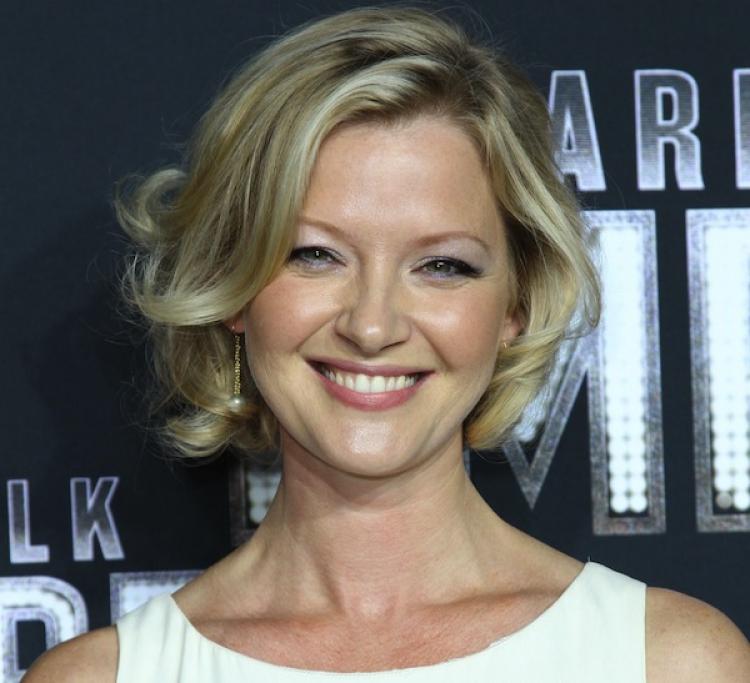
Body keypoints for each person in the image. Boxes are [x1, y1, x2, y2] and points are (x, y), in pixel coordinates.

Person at [24, 5, 750, 682]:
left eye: (442, 266)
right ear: (233, 283)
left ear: (515, 306)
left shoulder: (668, 661)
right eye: (314, 254)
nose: (372, 327)